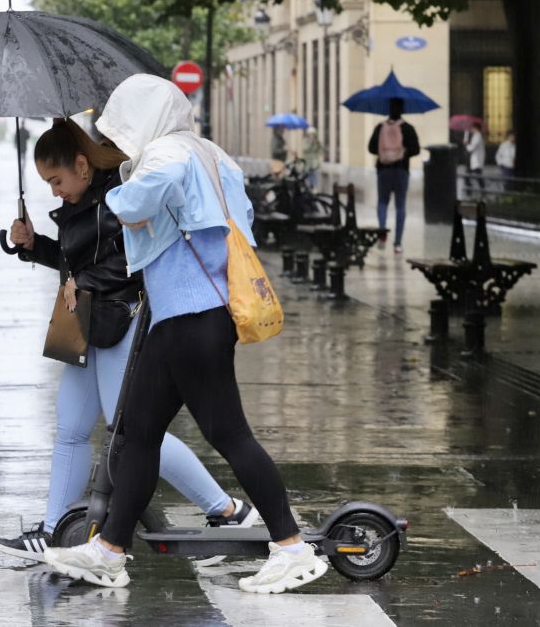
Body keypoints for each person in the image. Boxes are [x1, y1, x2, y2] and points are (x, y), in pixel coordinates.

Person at [43, 75, 327, 595]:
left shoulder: (167, 154)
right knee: (137, 433)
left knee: (229, 435)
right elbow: (242, 218)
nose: (119, 138)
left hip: (193, 318)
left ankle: (291, 547)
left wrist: (122, 186)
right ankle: (109, 550)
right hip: (178, 320)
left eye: (122, 126)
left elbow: (131, 204)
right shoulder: (214, 155)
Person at [0, 119, 256, 563]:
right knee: (71, 429)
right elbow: (74, 261)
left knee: (134, 434)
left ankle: (228, 509)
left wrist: (84, 279)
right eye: (47, 183)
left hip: (123, 322)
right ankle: (54, 530)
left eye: (56, 180)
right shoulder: (79, 200)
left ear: (81, 165)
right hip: (88, 324)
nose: (54, 191)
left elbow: (134, 262)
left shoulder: (122, 192)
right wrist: (31, 244)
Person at [368, 97, 420, 253]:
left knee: (382, 203)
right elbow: (416, 149)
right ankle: (398, 243)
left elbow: (371, 148)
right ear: (402, 109)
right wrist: (403, 152)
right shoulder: (408, 128)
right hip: (401, 170)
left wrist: (384, 151)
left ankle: (382, 235)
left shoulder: (380, 127)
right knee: (400, 205)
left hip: (383, 170)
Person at [462, 123, 485, 198]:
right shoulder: (476, 136)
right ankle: (470, 191)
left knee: (477, 176)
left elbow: (471, 148)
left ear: (475, 128)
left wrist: (466, 144)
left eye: (472, 128)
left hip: (476, 161)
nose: (471, 129)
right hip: (474, 161)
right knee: (469, 176)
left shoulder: (477, 136)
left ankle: (480, 191)